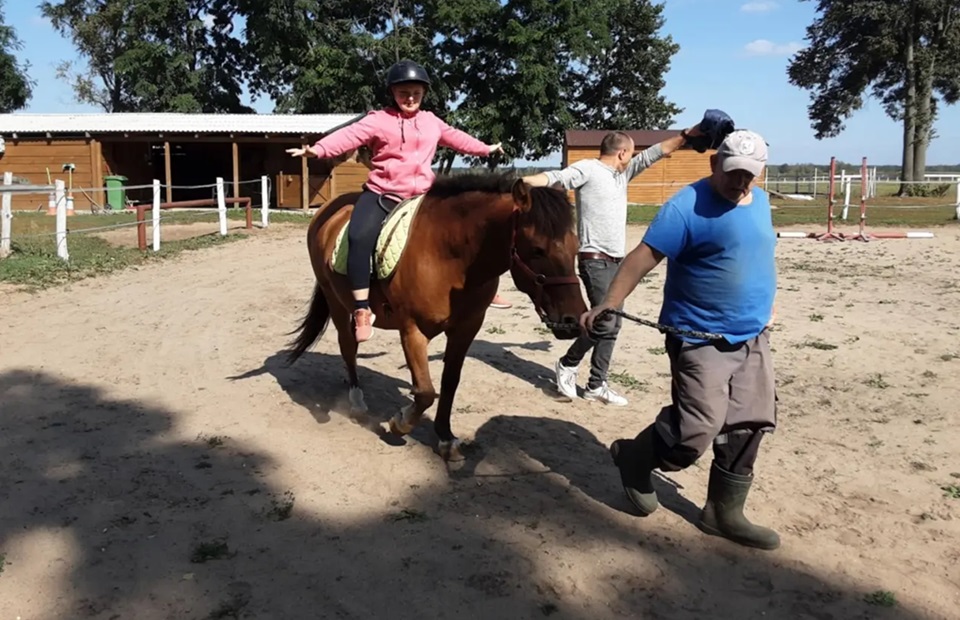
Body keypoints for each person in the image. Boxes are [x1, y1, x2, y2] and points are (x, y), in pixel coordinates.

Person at [581, 129, 781, 550]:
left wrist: (768, 305)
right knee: (697, 427)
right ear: (714, 164)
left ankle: (723, 512)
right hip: (698, 335)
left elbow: (759, 255)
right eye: (732, 173)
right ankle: (637, 457)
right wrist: (610, 302)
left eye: (749, 175)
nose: (739, 182)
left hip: (753, 335)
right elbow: (642, 257)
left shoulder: (760, 202)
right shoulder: (686, 206)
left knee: (749, 422)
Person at [287, 59, 508, 343]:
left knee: (467, 232)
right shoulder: (378, 120)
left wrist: (486, 149)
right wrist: (318, 150)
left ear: (424, 93)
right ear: (392, 93)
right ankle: (361, 308)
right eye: (403, 92)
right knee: (358, 236)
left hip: (425, 197)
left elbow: (456, 138)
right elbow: (349, 136)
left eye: (415, 92)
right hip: (384, 194)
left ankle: (483, 290)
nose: (410, 97)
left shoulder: (431, 121)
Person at [522, 123, 704, 406]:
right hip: (594, 259)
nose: (634, 159)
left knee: (612, 323)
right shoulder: (589, 169)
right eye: (630, 154)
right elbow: (557, 176)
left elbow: (655, 153)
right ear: (621, 153)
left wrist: (685, 136)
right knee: (607, 322)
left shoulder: (624, 173)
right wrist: (525, 182)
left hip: (617, 260)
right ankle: (568, 364)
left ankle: (596, 384)